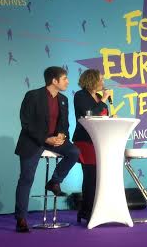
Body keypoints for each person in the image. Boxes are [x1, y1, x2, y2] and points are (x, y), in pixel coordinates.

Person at [14, 66, 80, 233]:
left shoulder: (63, 99)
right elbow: (26, 123)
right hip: (33, 140)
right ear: (54, 81)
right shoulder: (33, 96)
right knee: (26, 178)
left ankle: (54, 181)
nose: (67, 82)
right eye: (64, 79)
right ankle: (21, 218)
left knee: (74, 152)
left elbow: (64, 124)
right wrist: (45, 138)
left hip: (54, 140)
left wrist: (62, 136)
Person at [72, 69, 112, 223]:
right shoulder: (80, 96)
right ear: (92, 80)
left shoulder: (99, 97)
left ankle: (94, 208)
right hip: (86, 141)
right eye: (101, 79)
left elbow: (102, 116)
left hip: (100, 141)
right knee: (90, 175)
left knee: (99, 176)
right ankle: (87, 210)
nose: (103, 82)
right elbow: (88, 114)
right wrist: (104, 100)